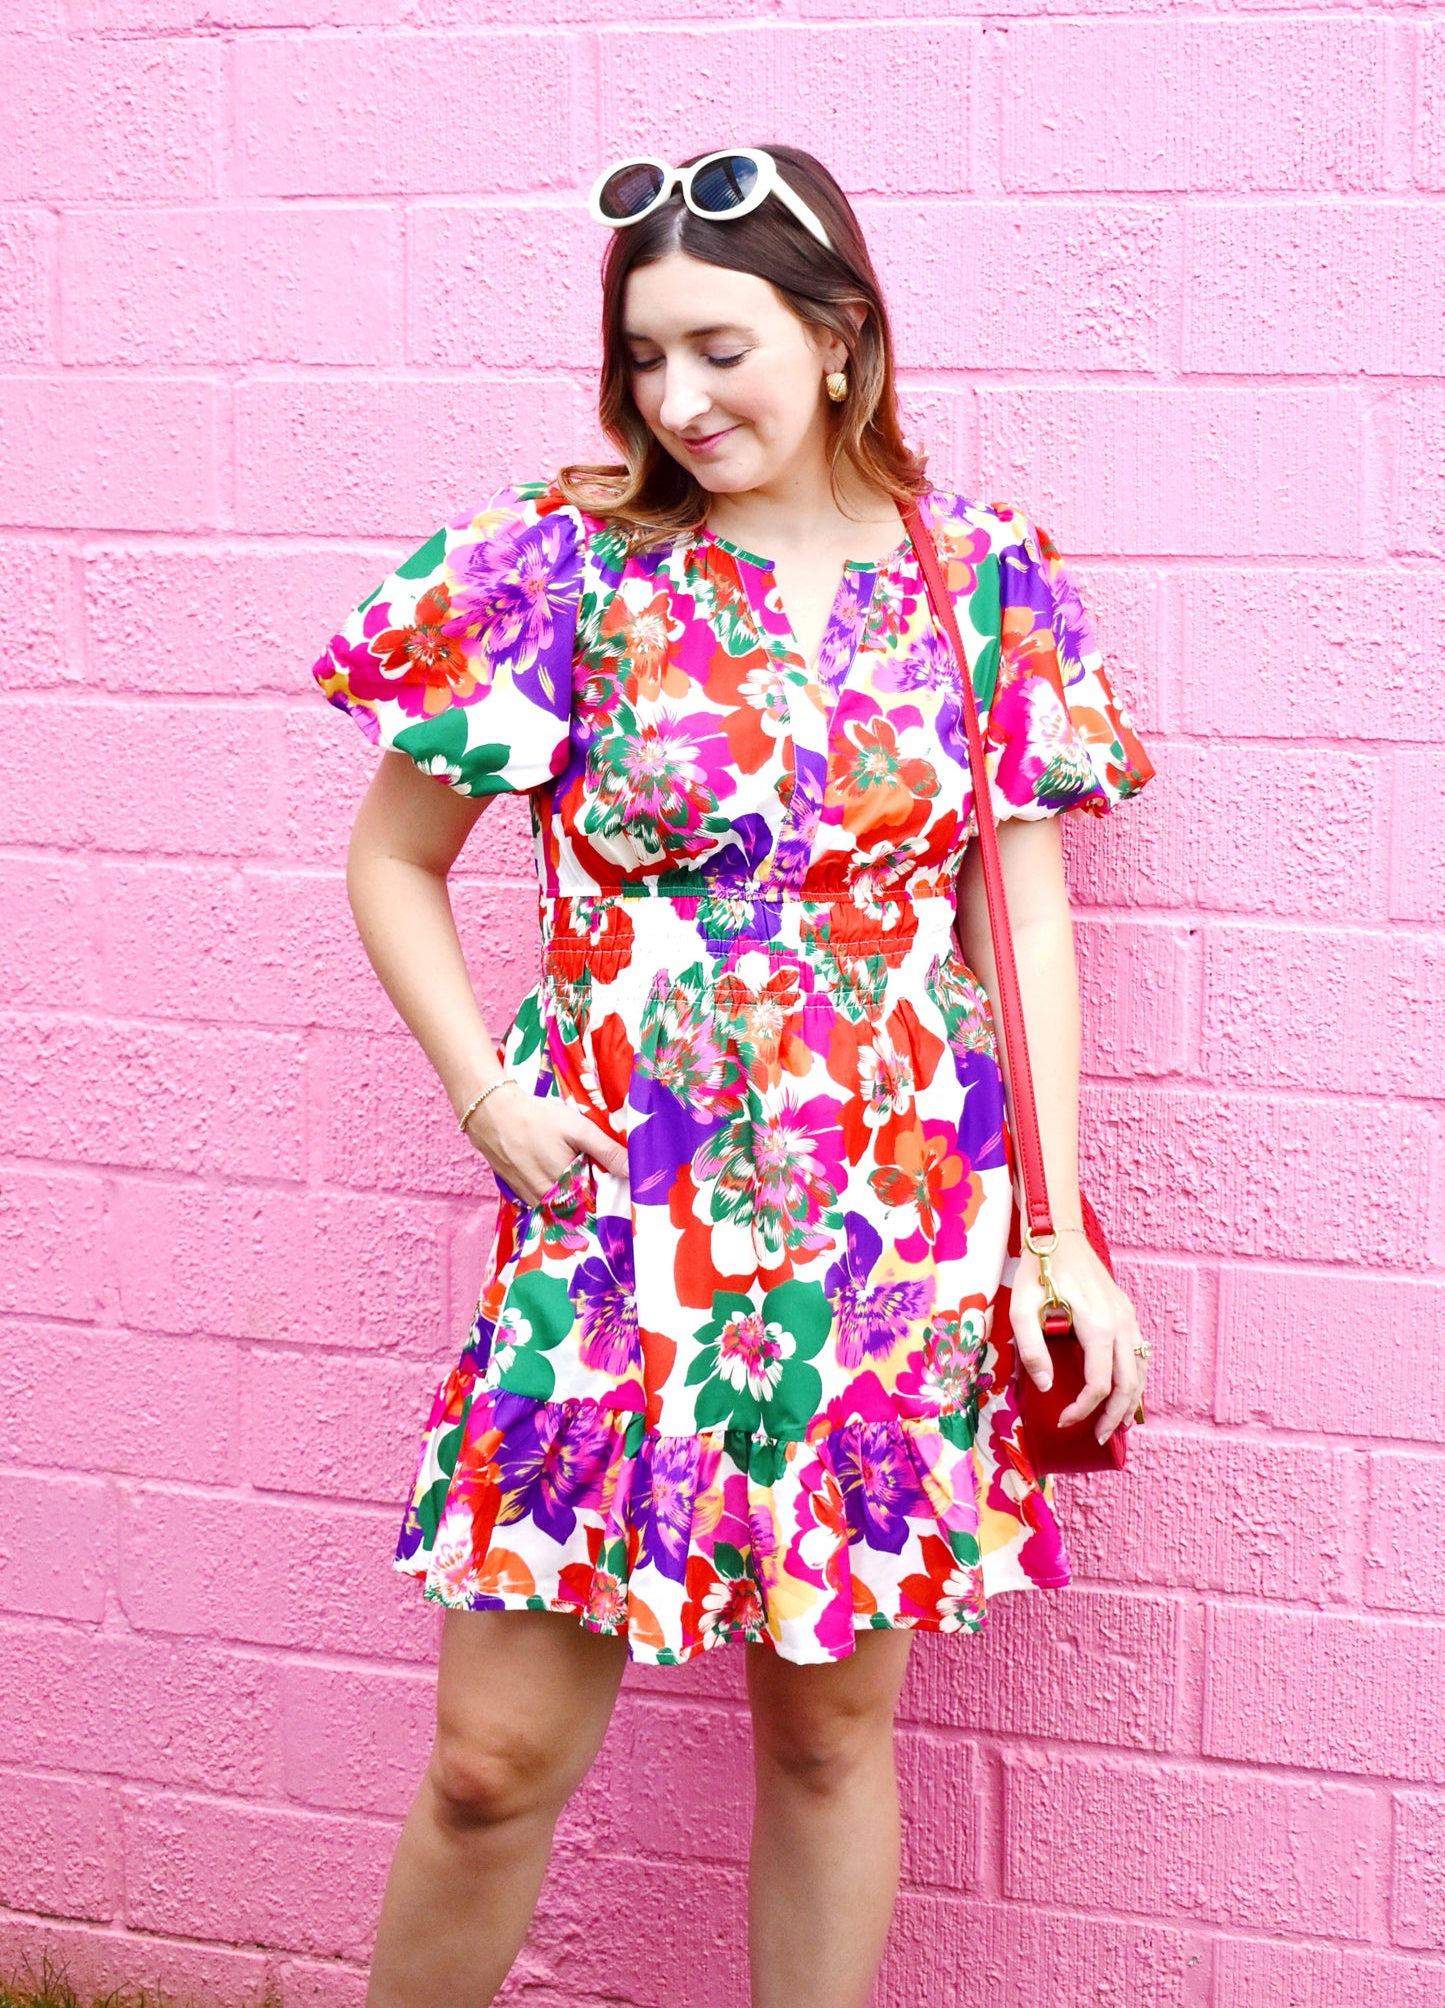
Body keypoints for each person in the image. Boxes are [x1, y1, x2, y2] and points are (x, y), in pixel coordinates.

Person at [313, 143, 1156, 2008]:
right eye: (643, 358)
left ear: (840, 337)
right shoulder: (560, 564)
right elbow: (392, 861)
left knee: (828, 1737)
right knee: (490, 1762)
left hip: (887, 1223)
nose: (678, 401)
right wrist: (484, 1093)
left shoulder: (979, 576)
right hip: (609, 1222)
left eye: (719, 348)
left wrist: (1053, 1235)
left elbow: (1019, 919)